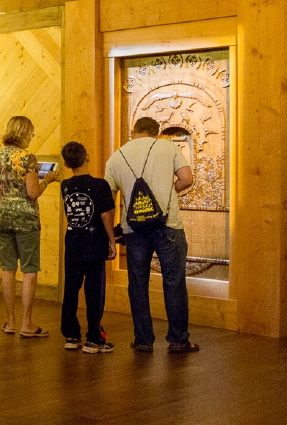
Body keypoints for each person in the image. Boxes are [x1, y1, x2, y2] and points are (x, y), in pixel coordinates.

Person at [104, 116, 199, 354]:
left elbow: (108, 197)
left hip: (133, 229)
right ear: (156, 133)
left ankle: (143, 340)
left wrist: (110, 234)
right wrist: (169, 191)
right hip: (168, 225)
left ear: (133, 131)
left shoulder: (117, 156)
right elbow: (187, 179)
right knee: (174, 281)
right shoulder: (168, 147)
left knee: (137, 283)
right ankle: (178, 340)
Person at [0, 115, 59, 339]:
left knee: (7, 269)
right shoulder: (27, 158)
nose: (32, 136)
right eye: (30, 132)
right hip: (25, 219)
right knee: (29, 270)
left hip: (1, 217)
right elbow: (33, 192)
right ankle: (26, 323)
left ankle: (10, 321)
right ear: (23, 133)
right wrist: (47, 179)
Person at [59, 141, 116, 353]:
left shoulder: (65, 186)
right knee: (94, 292)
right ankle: (94, 338)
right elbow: (105, 215)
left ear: (66, 163)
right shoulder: (101, 186)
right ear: (88, 157)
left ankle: (71, 335)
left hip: (73, 244)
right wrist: (111, 240)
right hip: (94, 245)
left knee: (71, 291)